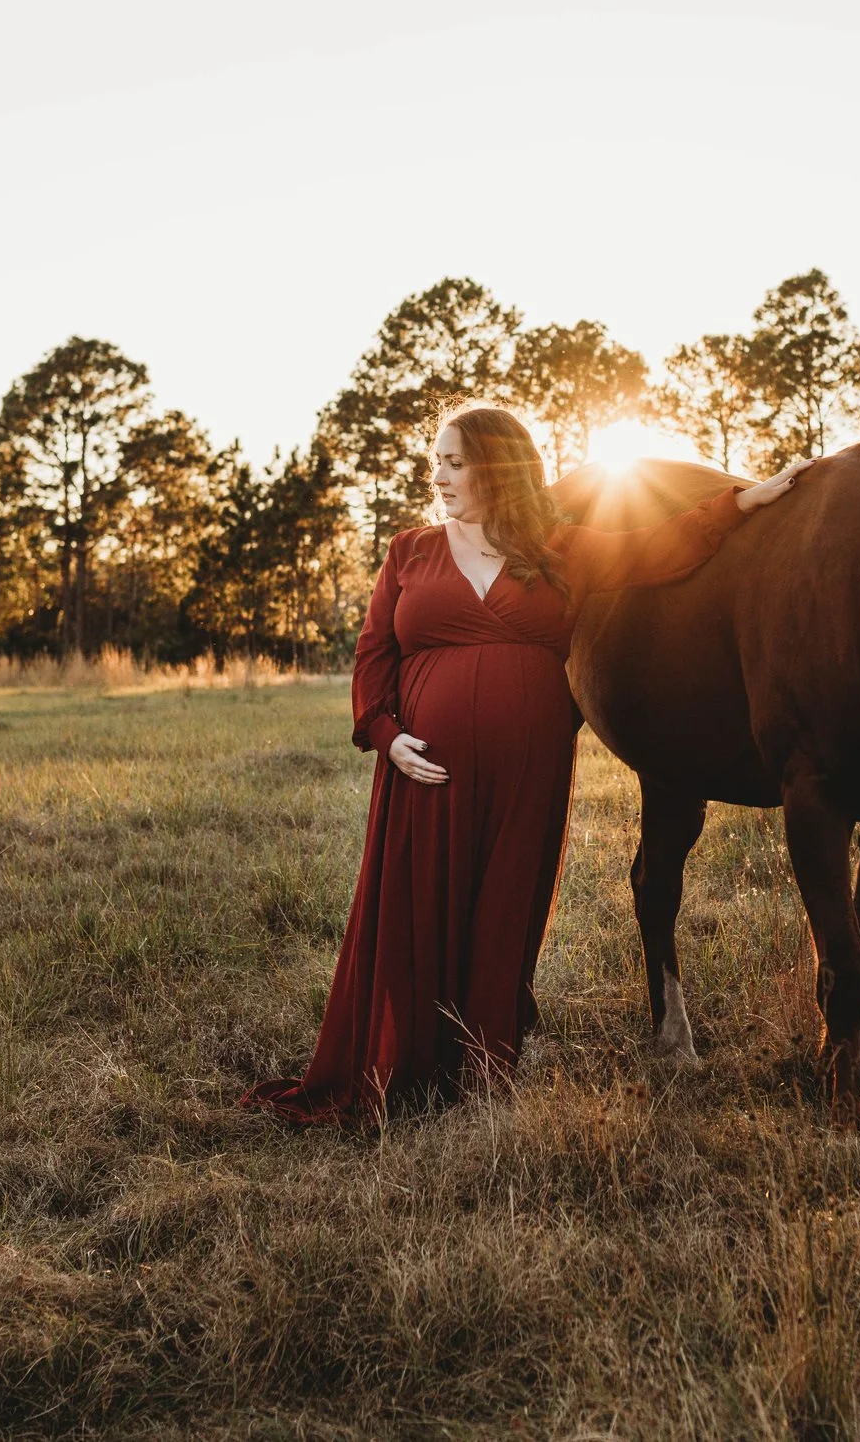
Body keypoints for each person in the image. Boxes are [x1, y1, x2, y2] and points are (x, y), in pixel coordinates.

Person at [241, 404, 805, 1124]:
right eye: (436, 462)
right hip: (425, 771)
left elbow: (660, 547)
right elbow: (373, 653)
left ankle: (484, 1068)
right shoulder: (409, 552)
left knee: (504, 910)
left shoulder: (561, 550)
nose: (438, 476)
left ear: (498, 470)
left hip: (527, 770)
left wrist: (742, 501)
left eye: (455, 462)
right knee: (419, 908)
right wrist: (387, 736)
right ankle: (405, 1066)